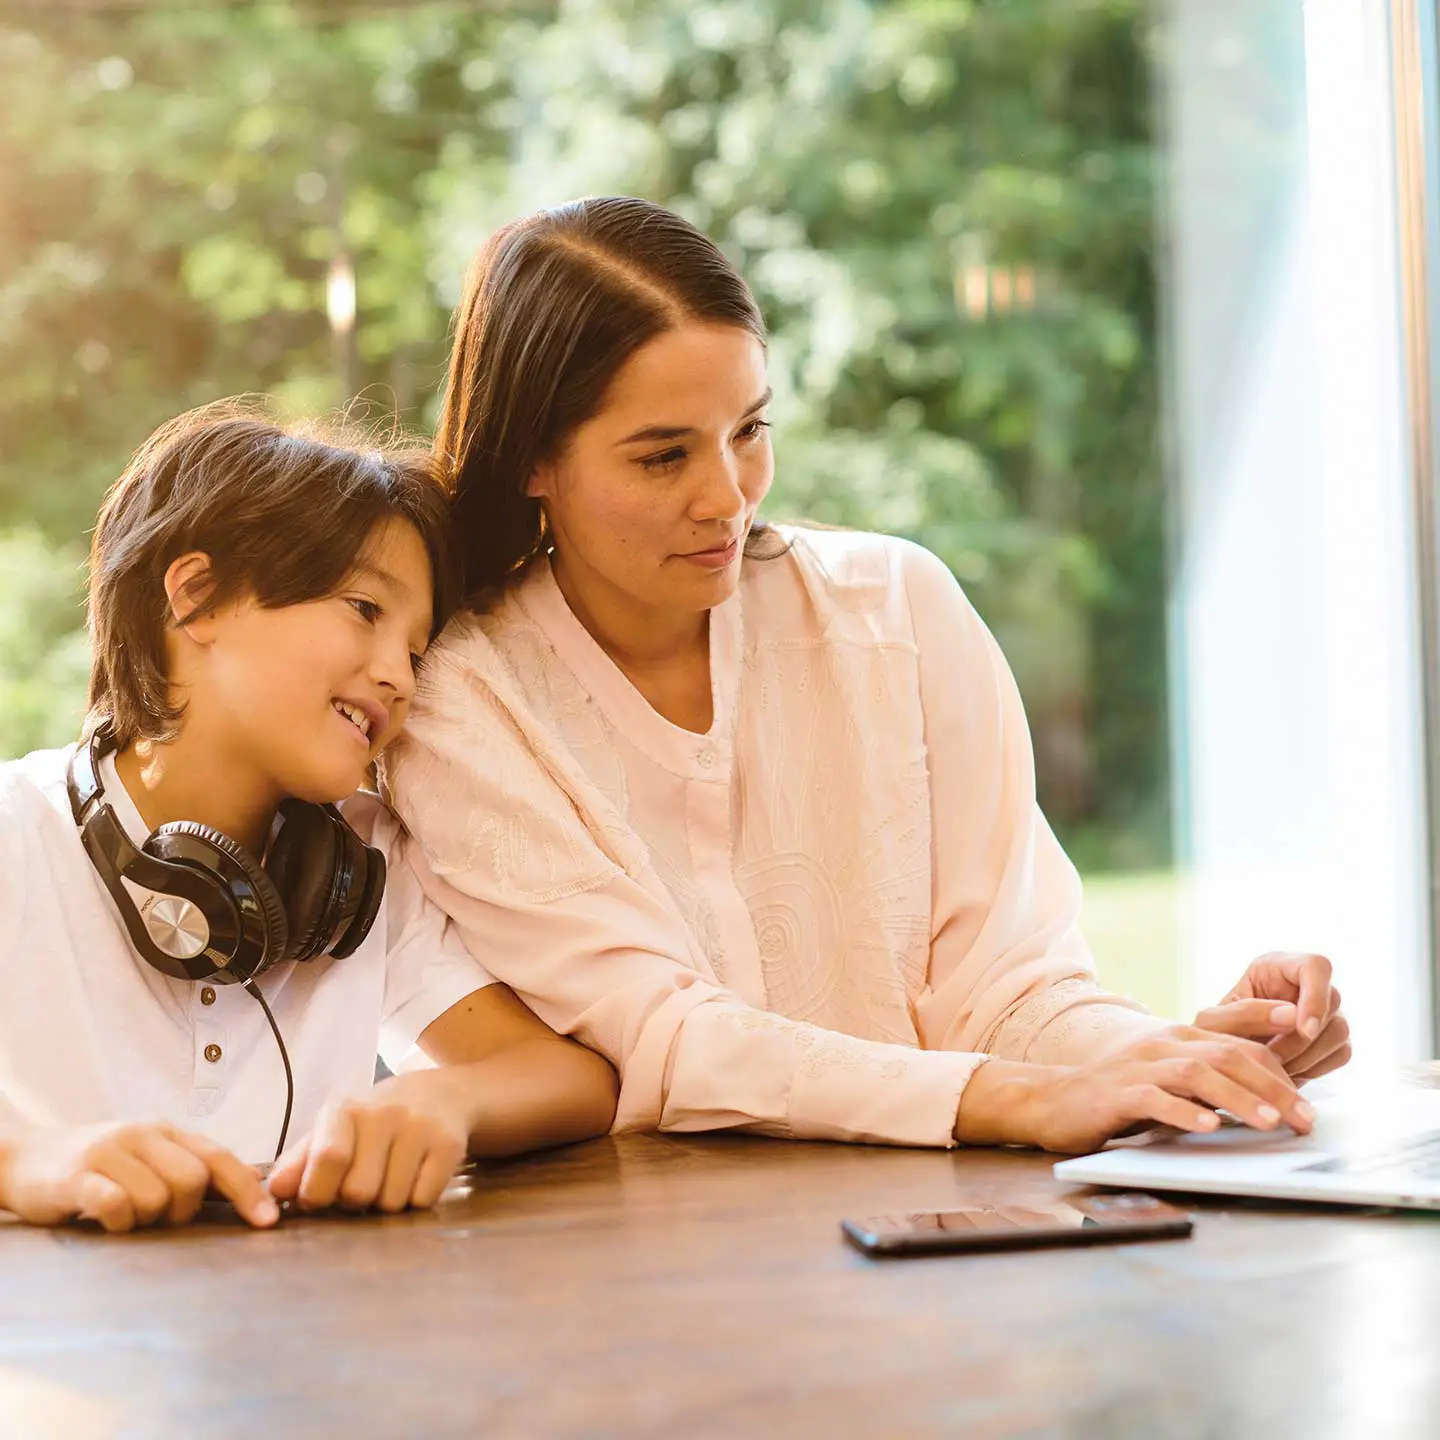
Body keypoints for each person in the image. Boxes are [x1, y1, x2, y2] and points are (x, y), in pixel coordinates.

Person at [383, 196, 1350, 1155]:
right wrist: (1010, 1102)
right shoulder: (461, 697)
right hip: (652, 1267)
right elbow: (659, 1035)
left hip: (964, 1239)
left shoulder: (899, 607)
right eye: (663, 456)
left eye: (750, 431)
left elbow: (1010, 987)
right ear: (531, 464)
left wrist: (1180, 1058)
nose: (726, 496)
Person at [0, 403, 618, 1233]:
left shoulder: (362, 867)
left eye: (416, 647)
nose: (398, 675)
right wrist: (24, 1162)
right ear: (197, 597)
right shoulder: (16, 831)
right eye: (366, 610)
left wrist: (443, 1101)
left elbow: (572, 1079)